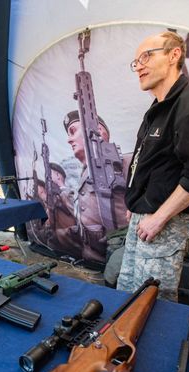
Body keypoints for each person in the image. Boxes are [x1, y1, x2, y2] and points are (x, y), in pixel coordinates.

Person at [117, 31, 189, 301]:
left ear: (174, 55)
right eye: (135, 62)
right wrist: (137, 201)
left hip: (164, 223)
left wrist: (158, 218)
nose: (139, 66)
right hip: (145, 217)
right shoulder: (159, 107)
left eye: (146, 56)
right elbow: (153, 163)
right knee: (127, 296)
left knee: (150, 304)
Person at [63, 110, 128, 267]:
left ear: (98, 130)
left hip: (118, 259)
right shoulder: (85, 172)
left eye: (73, 131)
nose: (69, 139)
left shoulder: (126, 163)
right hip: (92, 260)